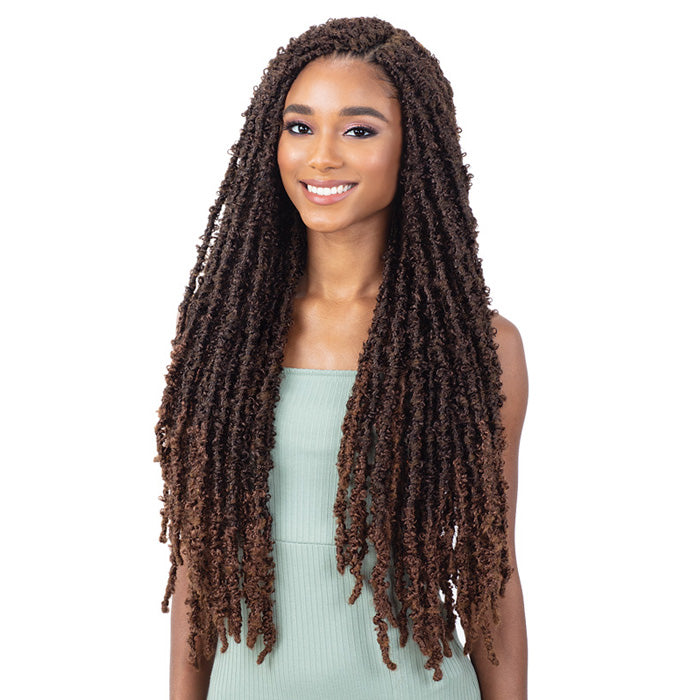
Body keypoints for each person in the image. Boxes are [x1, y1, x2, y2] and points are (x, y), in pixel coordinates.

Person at [155, 16, 528, 700]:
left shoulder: (478, 348)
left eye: (359, 130)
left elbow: (490, 574)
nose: (321, 156)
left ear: (414, 148)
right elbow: (196, 570)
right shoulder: (223, 340)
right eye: (300, 126)